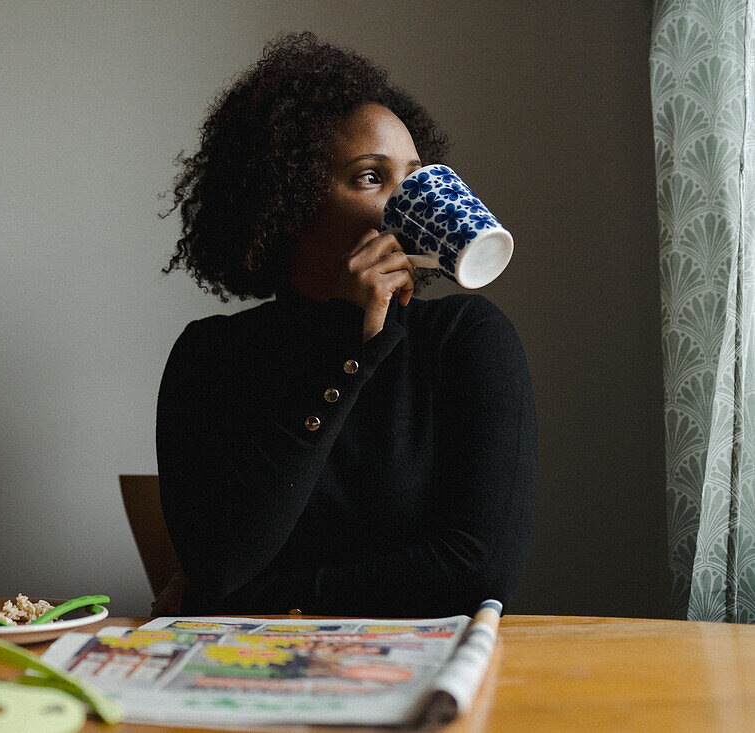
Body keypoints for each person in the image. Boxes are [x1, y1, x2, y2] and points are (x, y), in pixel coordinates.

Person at [156, 32, 536, 617]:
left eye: (415, 174)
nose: (409, 198)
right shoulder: (209, 359)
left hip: (427, 676)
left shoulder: (466, 339)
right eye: (369, 177)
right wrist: (344, 347)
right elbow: (222, 560)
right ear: (288, 204)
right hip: (253, 679)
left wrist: (260, 599)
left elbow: (476, 572)